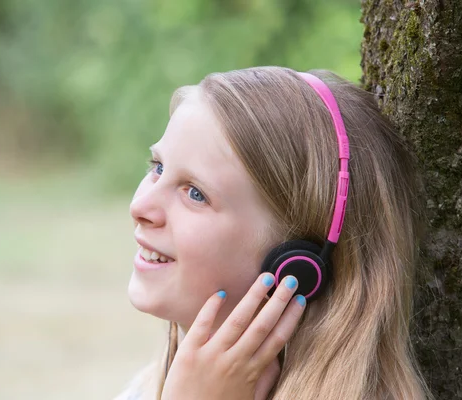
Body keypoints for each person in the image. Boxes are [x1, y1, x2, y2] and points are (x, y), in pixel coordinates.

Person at [115, 66, 433, 399]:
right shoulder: (144, 390)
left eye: (195, 193)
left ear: (296, 264)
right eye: (157, 168)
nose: (140, 207)